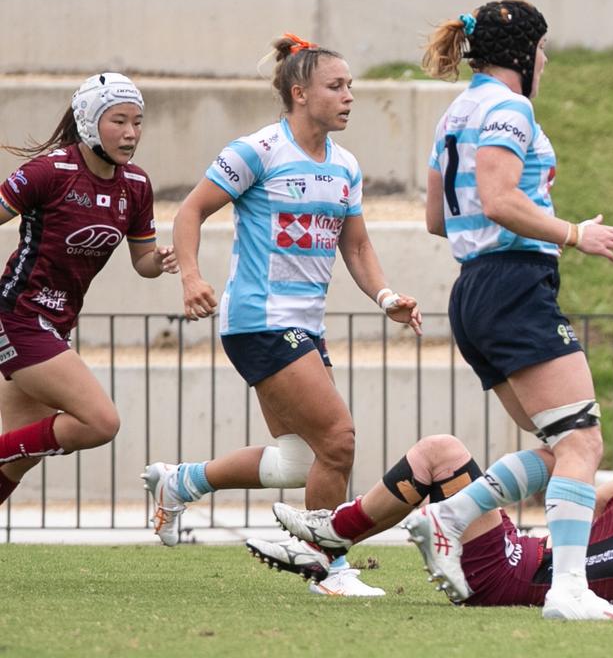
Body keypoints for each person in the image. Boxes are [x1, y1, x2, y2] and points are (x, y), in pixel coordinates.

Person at [141, 34, 422, 598]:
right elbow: (191, 210)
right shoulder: (258, 150)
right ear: (300, 92)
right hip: (259, 322)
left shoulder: (345, 166)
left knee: (300, 460)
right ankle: (329, 569)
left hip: (304, 327)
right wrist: (192, 278)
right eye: (336, 86)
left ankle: (180, 482)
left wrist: (387, 297)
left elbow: (358, 247)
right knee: (339, 441)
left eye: (351, 87)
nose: (349, 97)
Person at [408, 0, 613, 619]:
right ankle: (568, 591)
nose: (547, 61)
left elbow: (437, 217)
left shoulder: (457, 110)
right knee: (583, 443)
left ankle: (452, 514)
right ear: (522, 56)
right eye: (542, 50)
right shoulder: (510, 107)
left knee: (563, 445)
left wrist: (540, 226)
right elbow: (498, 196)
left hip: (474, 290)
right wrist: (571, 233)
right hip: (513, 286)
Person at [245, 433, 613, 619]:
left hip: (509, 575)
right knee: (552, 454)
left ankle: (336, 531)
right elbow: (598, 501)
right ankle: (331, 541)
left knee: (439, 452)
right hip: (520, 561)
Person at [0, 73, 178, 505]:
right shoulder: (49, 171)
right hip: (19, 317)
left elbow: (143, 263)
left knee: (17, 459)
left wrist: (161, 261)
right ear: (88, 122)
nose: (131, 132)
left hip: (56, 326)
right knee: (101, 422)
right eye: (118, 121)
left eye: (137, 121)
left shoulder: (135, 186)